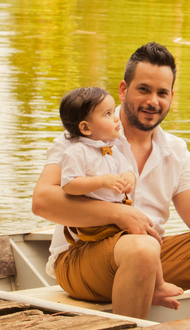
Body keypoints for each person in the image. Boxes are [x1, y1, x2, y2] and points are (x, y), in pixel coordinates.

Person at [32, 42, 190, 320]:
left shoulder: (175, 150)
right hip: (80, 259)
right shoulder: (83, 137)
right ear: (123, 90)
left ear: (171, 96)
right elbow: (42, 202)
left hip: (150, 259)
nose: (153, 101)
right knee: (143, 248)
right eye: (143, 89)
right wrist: (119, 213)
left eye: (162, 93)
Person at [56, 86, 183, 311]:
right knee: (142, 241)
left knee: (147, 235)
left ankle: (159, 284)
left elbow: (128, 170)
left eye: (113, 113)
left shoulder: (113, 149)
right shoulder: (75, 152)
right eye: (107, 114)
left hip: (118, 209)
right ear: (85, 128)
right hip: (94, 222)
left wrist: (129, 178)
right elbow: (70, 184)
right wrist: (101, 181)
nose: (116, 119)